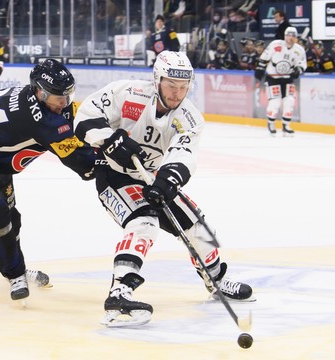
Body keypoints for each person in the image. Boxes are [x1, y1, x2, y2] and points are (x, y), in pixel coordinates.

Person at [73, 51, 254, 327]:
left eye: (183, 87)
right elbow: (85, 116)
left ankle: (215, 279)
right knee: (144, 222)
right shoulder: (128, 93)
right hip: (114, 176)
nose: (177, 93)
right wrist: (110, 140)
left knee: (198, 226)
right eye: (171, 85)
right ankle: (119, 293)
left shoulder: (190, 117)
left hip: (152, 176)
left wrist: (168, 180)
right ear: (156, 79)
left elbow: (184, 154)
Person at [0, 59, 96, 301]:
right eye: (57, 97)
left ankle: (16, 266)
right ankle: (15, 273)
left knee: (12, 217)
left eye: (68, 95)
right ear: (40, 92)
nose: (64, 103)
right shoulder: (44, 122)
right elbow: (86, 166)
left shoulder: (36, 98)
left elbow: (75, 120)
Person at [255, 27, 306, 136]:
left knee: (290, 101)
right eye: (288, 35)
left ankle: (286, 125)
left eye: (293, 36)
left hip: (287, 78)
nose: (290, 38)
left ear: (296, 37)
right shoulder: (275, 44)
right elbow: (265, 57)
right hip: (273, 77)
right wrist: (260, 68)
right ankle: (271, 123)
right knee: (275, 102)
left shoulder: (299, 50)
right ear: (284, 36)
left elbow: (302, 63)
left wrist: (298, 70)